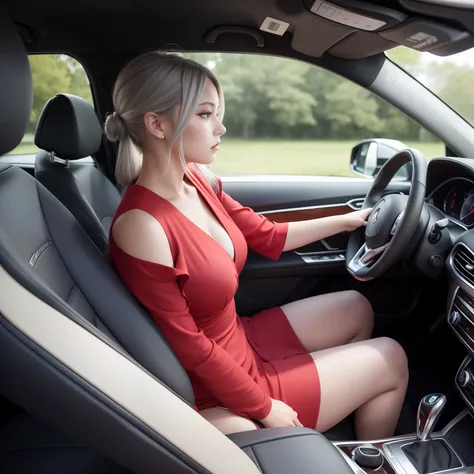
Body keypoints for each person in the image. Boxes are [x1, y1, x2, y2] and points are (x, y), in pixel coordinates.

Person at [105, 51, 409, 440]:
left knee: (356, 306)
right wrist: (264, 407)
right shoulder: (142, 226)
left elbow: (268, 236)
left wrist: (351, 220)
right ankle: (364, 459)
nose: (221, 127)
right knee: (391, 358)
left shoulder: (197, 181)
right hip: (218, 385)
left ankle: (329, 424)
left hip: (241, 337)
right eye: (205, 114)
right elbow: (190, 347)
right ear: (157, 124)